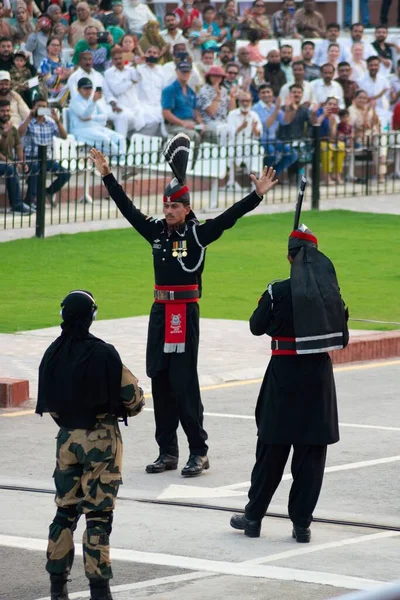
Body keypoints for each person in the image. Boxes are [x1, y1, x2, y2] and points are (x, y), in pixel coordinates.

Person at [89, 138, 278, 477]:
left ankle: (199, 451)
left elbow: (228, 218)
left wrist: (257, 195)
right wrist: (108, 176)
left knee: (184, 382)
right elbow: (127, 208)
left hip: (184, 314)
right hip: (160, 313)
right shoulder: (156, 232)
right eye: (166, 206)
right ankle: (167, 451)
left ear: (187, 208)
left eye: (174, 207)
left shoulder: (197, 234)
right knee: (159, 380)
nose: (168, 211)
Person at [230, 219, 349, 542]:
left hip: (283, 376)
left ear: (289, 257)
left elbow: (257, 326)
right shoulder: (332, 294)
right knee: (310, 456)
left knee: (271, 450)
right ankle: (301, 525)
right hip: (317, 380)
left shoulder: (277, 290)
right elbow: (344, 337)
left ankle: (253, 518)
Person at [36, 289, 144, 600]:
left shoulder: (52, 353)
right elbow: (133, 399)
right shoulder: (103, 353)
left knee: (64, 513)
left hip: (67, 439)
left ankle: (58, 587)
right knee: (98, 517)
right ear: (91, 317)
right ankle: (99, 589)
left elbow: (50, 404)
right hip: (101, 442)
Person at [18, 95, 71, 207]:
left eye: (44, 107)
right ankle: (30, 200)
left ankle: (47, 192)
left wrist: (57, 121)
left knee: (65, 173)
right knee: (36, 168)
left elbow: (64, 136)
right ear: (33, 107)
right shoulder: (28, 121)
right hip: (30, 158)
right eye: (39, 106)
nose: (41, 109)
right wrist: (29, 117)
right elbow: (19, 134)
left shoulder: (50, 122)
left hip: (46, 159)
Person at [69, 77, 127, 155]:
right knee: (106, 140)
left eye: (90, 88)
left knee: (121, 138)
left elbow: (104, 116)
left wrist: (93, 117)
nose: (88, 91)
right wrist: (93, 102)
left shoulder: (92, 100)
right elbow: (84, 116)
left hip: (96, 128)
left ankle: (120, 159)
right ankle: (121, 158)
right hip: (81, 130)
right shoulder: (75, 101)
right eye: (85, 88)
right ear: (78, 90)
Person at [0, 99, 32, 215]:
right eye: (2, 111)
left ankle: (31, 201)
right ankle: (17, 205)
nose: (5, 113)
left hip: (8, 162)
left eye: (8, 110)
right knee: (10, 169)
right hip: (4, 163)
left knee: (35, 166)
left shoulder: (12, 128)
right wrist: (4, 135)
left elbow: (18, 146)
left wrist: (22, 161)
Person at [315, 96, 346, 184]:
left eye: (334, 104)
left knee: (341, 146)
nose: (331, 106)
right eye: (329, 104)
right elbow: (316, 124)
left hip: (330, 141)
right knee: (327, 148)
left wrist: (332, 122)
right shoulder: (319, 112)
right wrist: (324, 115)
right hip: (319, 141)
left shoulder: (335, 116)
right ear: (325, 105)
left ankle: (336, 173)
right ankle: (326, 176)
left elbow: (333, 134)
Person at [39, 37, 73, 102]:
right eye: (53, 45)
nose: (56, 47)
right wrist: (63, 76)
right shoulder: (44, 62)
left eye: (58, 45)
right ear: (47, 47)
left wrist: (69, 73)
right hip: (51, 94)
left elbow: (72, 73)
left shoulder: (64, 61)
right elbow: (49, 81)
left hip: (67, 93)